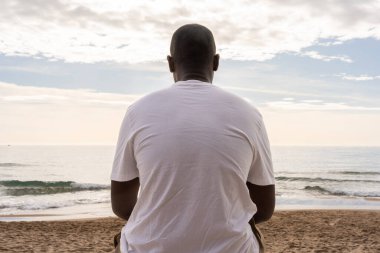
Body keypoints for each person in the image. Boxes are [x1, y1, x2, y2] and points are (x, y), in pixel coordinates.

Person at [111, 24, 275, 253]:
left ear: (170, 63)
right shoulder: (250, 114)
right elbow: (265, 209)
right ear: (216, 62)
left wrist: (166, 221)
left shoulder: (137, 111)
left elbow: (120, 205)